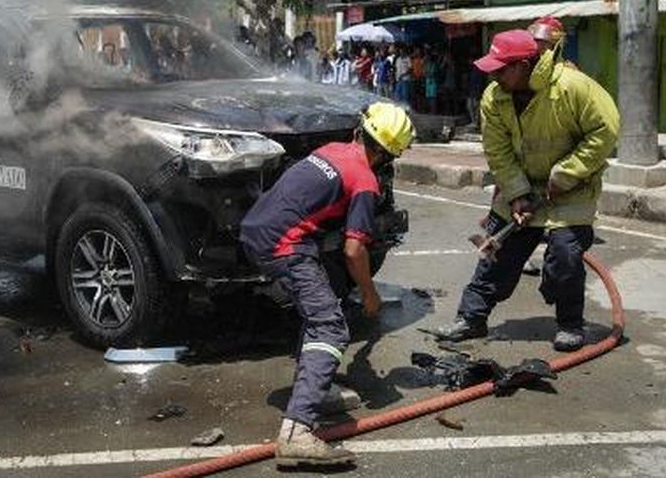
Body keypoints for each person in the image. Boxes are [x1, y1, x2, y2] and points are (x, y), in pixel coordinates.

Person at [240, 103, 415, 468]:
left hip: (257, 227)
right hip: (284, 244)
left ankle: (318, 387)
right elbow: (355, 250)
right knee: (330, 325)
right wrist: (370, 294)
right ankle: (297, 431)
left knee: (326, 297)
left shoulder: (332, 151)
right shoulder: (365, 179)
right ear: (384, 153)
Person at [434, 29, 619, 352]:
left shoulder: (572, 87)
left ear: (523, 64)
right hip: (521, 185)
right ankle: (471, 318)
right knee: (496, 253)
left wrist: (568, 173)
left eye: (501, 68)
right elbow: (498, 151)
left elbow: (605, 131)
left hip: (570, 188)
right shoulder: (495, 97)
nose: (494, 74)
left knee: (564, 256)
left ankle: (570, 324)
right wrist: (517, 193)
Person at [424, 50, 439, 114]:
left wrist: (428, 74)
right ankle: (430, 110)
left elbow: (432, 73)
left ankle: (433, 111)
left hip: (433, 82)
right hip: (428, 81)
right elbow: (425, 73)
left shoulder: (434, 64)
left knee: (433, 97)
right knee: (429, 97)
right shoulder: (426, 64)